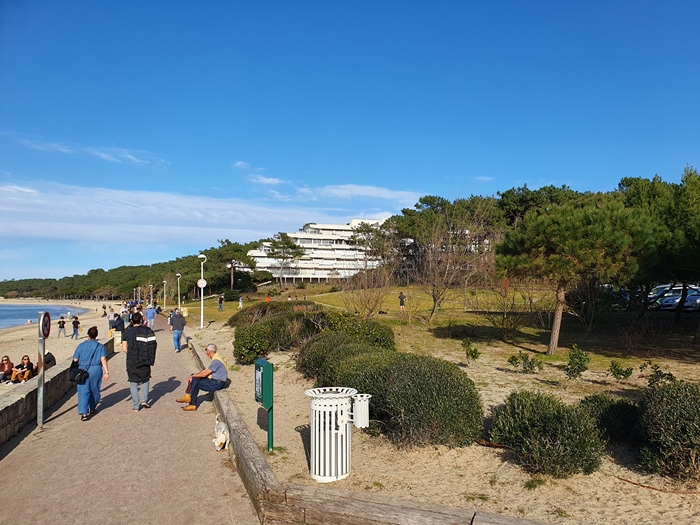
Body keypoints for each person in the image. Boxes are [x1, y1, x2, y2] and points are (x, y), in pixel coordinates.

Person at [176, 343, 228, 411]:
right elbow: (205, 371)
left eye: (206, 349)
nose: (205, 351)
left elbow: (204, 374)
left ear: (209, 351)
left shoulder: (216, 361)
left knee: (195, 382)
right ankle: (189, 398)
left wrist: (193, 376)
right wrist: (193, 375)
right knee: (195, 380)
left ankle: (190, 400)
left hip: (217, 383)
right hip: (216, 381)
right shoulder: (216, 358)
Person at [72, 326, 109, 421]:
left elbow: (75, 359)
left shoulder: (81, 346)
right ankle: (92, 407)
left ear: (88, 335)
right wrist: (106, 372)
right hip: (96, 369)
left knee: (83, 391)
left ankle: (84, 413)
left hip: (82, 370)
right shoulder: (100, 346)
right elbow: (103, 359)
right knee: (95, 390)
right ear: (96, 335)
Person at [122, 312, 156, 412]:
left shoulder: (127, 332)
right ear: (141, 320)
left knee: (133, 382)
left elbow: (124, 348)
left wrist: (132, 354)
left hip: (132, 360)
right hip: (145, 359)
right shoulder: (147, 331)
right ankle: (144, 400)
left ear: (131, 321)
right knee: (145, 379)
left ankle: (136, 406)